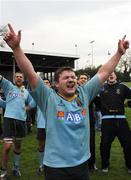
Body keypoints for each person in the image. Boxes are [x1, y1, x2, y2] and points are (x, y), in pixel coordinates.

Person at [3, 24, 129, 180]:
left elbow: (103, 72)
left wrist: (119, 53)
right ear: (56, 84)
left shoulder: (84, 93)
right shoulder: (49, 98)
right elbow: (31, 74)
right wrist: (16, 48)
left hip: (82, 164)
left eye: (73, 77)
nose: (71, 79)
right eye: (66, 77)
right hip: (56, 167)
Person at [0, 71, 35, 178]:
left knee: (18, 145)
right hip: (9, 120)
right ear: (14, 79)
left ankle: (16, 168)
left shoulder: (26, 92)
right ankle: (4, 170)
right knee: (7, 146)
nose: (19, 78)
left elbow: (33, 102)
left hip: (21, 121)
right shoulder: (8, 86)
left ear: (23, 79)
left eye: (20, 77)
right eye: (17, 76)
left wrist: (27, 107)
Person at [99, 72, 131, 173]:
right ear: (106, 76)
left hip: (121, 120)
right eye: (108, 74)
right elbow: (94, 99)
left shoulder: (122, 87)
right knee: (104, 144)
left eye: (112, 74)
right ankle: (105, 165)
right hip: (107, 120)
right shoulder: (101, 87)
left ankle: (129, 166)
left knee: (128, 144)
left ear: (116, 76)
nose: (111, 75)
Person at [77, 73, 98, 172]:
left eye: (85, 78)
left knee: (91, 143)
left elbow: (100, 104)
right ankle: (79, 164)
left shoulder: (91, 91)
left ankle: (92, 164)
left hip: (89, 121)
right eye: (81, 78)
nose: (83, 80)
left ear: (88, 80)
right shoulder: (73, 90)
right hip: (76, 122)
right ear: (78, 80)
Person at [36, 78, 51, 174]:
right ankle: (41, 165)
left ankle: (51, 164)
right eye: (44, 83)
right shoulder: (38, 95)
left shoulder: (55, 95)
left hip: (53, 125)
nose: (45, 84)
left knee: (53, 146)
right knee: (41, 145)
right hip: (41, 124)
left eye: (47, 83)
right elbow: (31, 104)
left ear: (50, 84)